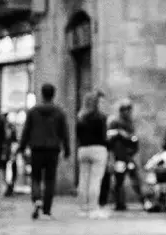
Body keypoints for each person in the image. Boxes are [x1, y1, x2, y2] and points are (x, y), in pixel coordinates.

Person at [17, 83, 70, 219]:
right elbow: (64, 132)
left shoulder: (33, 111)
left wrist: (21, 147)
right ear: (53, 94)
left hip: (37, 148)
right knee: (50, 179)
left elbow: (26, 130)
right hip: (53, 149)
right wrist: (67, 149)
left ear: (42, 94)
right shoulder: (59, 112)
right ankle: (47, 210)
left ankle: (37, 199)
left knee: (36, 176)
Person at [75, 91, 109, 219]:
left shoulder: (80, 117)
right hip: (98, 149)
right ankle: (93, 208)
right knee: (95, 180)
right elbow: (104, 136)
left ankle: (83, 208)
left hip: (83, 149)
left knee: (83, 180)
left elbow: (78, 135)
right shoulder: (101, 117)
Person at [107, 99, 142, 211]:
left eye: (129, 110)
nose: (128, 112)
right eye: (125, 110)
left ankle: (143, 200)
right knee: (119, 179)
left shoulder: (129, 123)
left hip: (128, 156)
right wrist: (120, 134)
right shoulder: (115, 122)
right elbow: (110, 138)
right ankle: (119, 203)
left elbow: (134, 140)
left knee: (134, 178)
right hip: (119, 156)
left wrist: (132, 145)